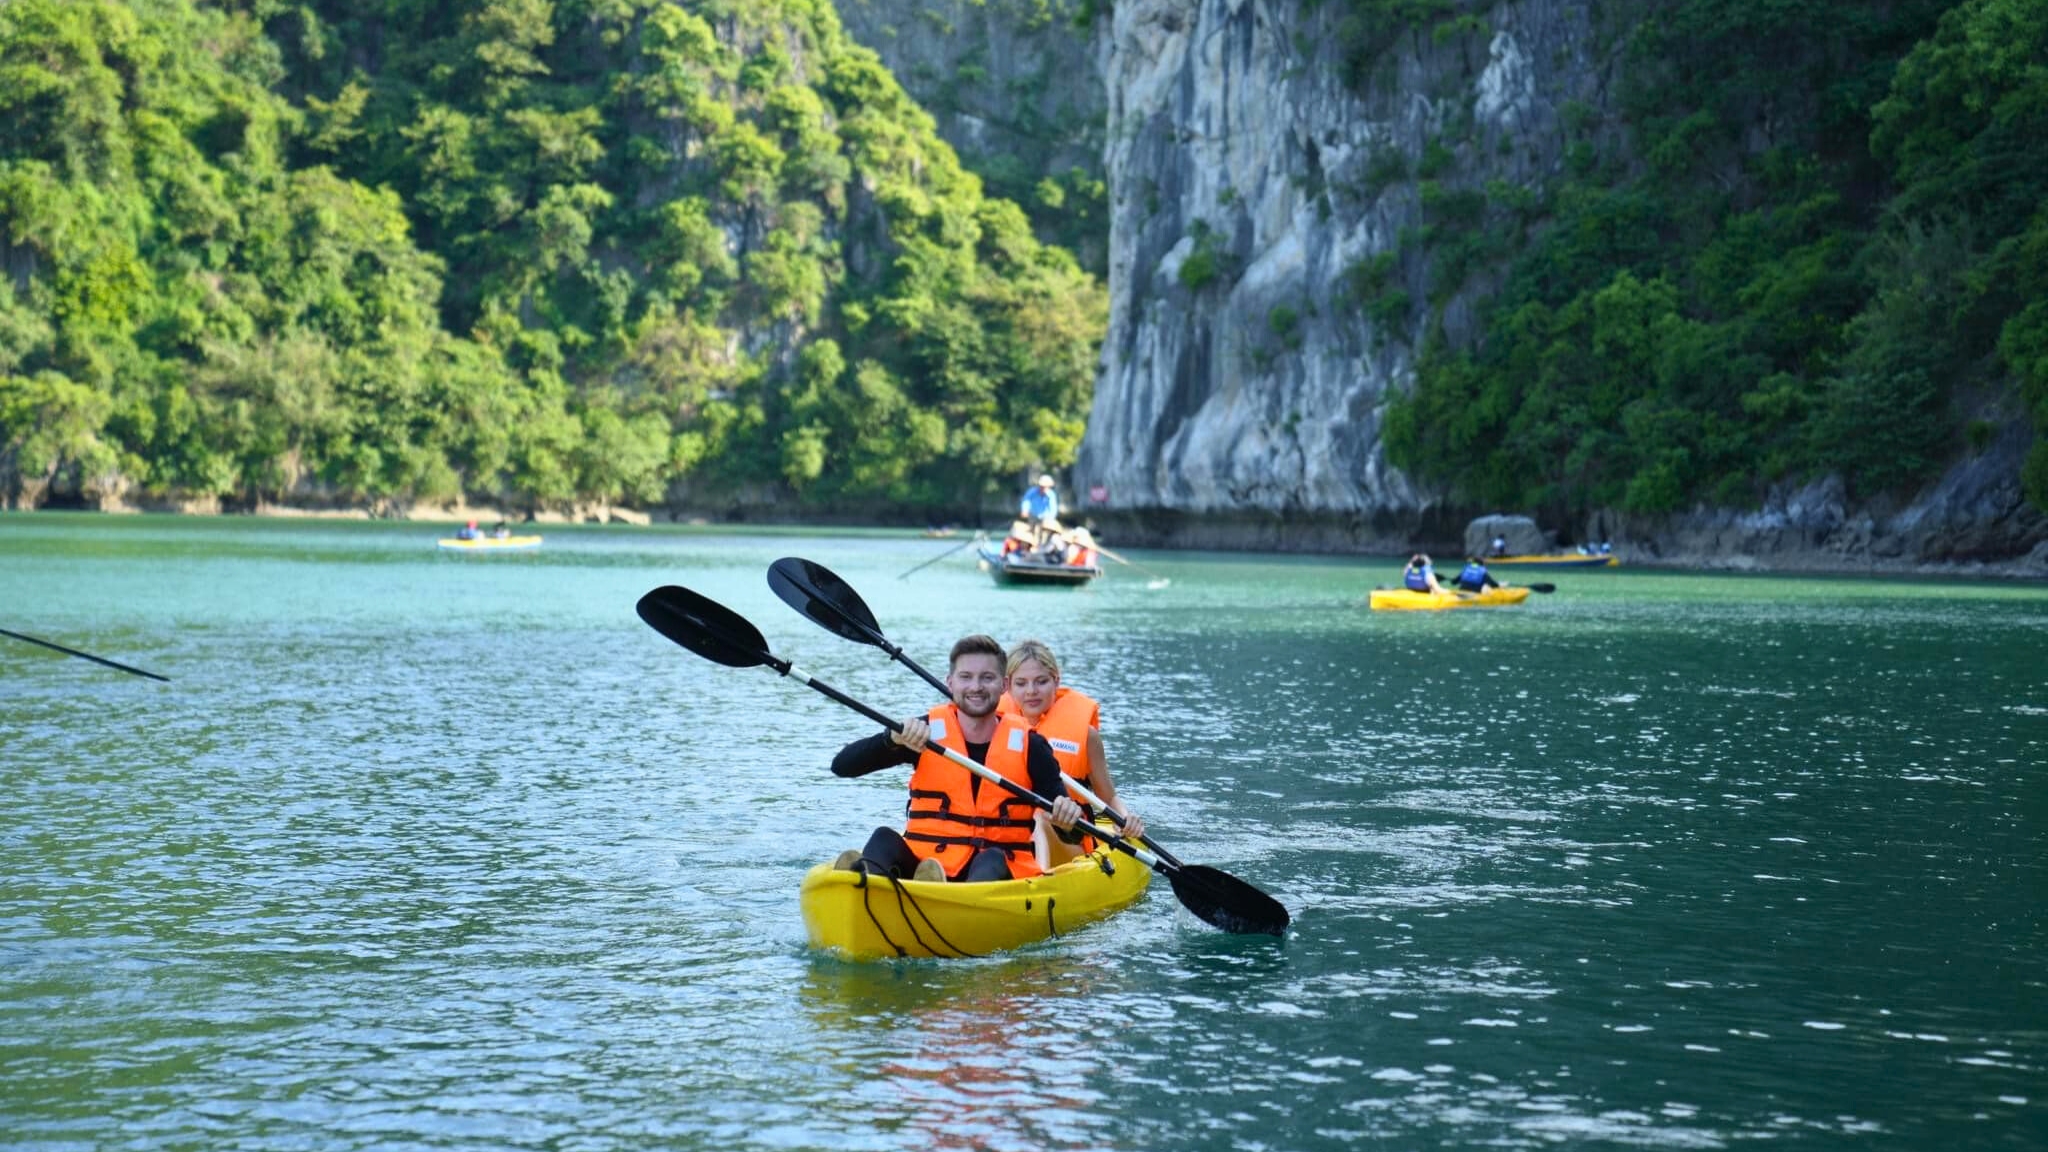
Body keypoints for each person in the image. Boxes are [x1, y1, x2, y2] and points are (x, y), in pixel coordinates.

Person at [830, 635, 1086, 883]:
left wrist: (1067, 819)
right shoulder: (923, 733)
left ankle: (946, 903)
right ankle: (867, 886)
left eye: (987, 678)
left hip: (995, 875)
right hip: (927, 864)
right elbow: (842, 766)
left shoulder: (1031, 746)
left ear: (1004, 686)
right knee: (883, 838)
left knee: (992, 858)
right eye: (966, 677)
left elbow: (1073, 834)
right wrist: (891, 739)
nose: (976, 687)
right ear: (950, 683)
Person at [999, 639, 1144, 850]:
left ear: (1056, 681)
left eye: (1041, 681)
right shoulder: (992, 728)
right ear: (1007, 687)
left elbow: (1108, 797)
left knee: (1041, 817)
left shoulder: (1087, 736)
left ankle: (1039, 879)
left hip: (1068, 835)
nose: (1031, 691)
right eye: (1021, 683)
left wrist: (1126, 819)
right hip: (1006, 831)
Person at [1019, 473, 1061, 549]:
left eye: (1045, 487)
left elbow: (1053, 509)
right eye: (1042, 486)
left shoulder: (1051, 495)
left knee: (1043, 534)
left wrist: (1050, 519)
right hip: (1033, 515)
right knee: (1030, 532)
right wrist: (1024, 510)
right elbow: (1026, 500)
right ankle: (1028, 548)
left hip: (1045, 517)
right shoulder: (1032, 491)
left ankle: (1040, 549)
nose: (1043, 488)